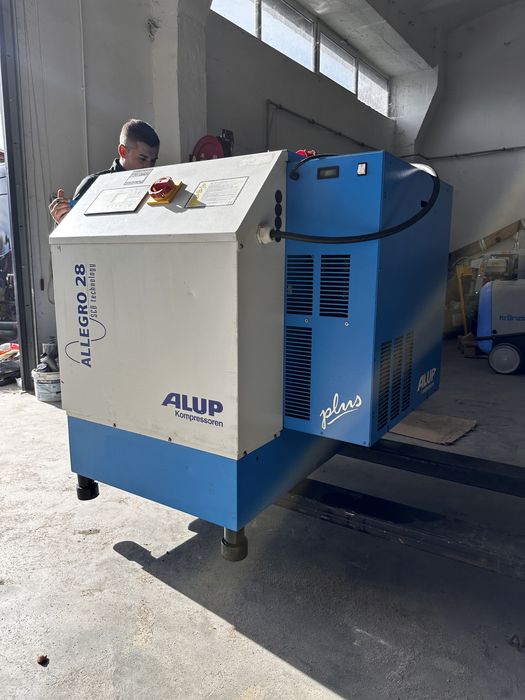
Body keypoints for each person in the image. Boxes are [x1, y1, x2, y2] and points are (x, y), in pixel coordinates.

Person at [49, 119, 160, 224]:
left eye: (153, 160)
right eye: (142, 159)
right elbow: (75, 229)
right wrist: (63, 220)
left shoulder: (156, 187)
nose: (149, 166)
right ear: (123, 151)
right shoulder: (93, 184)